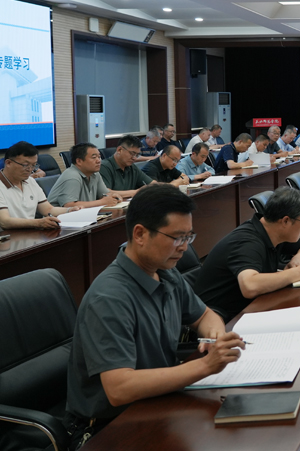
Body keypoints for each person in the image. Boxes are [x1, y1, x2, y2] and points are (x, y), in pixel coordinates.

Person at [64, 185, 244, 441]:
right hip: (109, 427)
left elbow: (204, 316)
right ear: (140, 234)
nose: (184, 247)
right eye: (177, 238)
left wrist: (216, 337)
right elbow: (119, 388)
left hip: (157, 403)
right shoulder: (109, 297)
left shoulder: (166, 273)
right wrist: (205, 365)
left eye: (189, 237)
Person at [193, 187, 300, 322]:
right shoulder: (247, 242)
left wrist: (298, 260)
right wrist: (299, 273)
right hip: (219, 321)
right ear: (286, 221)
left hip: (250, 309)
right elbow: (250, 286)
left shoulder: (273, 231)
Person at [0, 141, 75, 229]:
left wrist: (69, 210)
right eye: (25, 165)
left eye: (33, 165)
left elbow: (48, 209)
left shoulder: (30, 181)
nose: (30, 170)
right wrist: (38, 223)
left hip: (30, 233)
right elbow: (4, 221)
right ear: (8, 163)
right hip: (8, 236)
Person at [47, 144, 121, 208]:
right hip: (58, 218)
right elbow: (69, 205)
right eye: (94, 157)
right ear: (79, 161)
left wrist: (113, 196)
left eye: (99, 157)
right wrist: (102, 202)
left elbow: (104, 194)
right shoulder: (72, 176)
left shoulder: (95, 174)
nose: (99, 161)